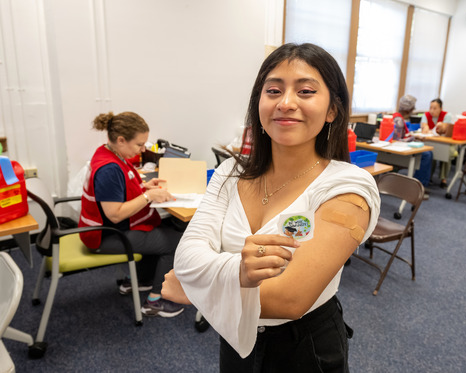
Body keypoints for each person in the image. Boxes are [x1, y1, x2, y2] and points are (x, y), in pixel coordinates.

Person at [162, 43, 380, 372]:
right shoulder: (230, 172)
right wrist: (233, 275)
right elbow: (187, 254)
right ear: (259, 103)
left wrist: (195, 289)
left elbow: (290, 298)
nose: (286, 103)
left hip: (304, 345)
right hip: (235, 337)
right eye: (273, 90)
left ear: (332, 109)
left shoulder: (348, 189)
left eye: (306, 91)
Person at [79, 111, 185, 318]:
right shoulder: (109, 168)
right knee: (176, 242)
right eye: (139, 144)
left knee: (159, 230)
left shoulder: (109, 153)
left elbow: (121, 187)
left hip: (108, 229)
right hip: (106, 234)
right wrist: (148, 196)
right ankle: (156, 301)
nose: (143, 149)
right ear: (121, 140)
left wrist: (144, 186)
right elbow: (115, 215)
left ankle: (139, 280)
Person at [394, 94, 433, 198]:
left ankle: (421, 184)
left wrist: (412, 136)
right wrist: (413, 138)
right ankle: (418, 186)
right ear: (408, 109)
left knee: (428, 153)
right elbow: (398, 139)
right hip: (400, 149)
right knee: (427, 155)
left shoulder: (398, 117)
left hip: (400, 146)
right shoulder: (399, 120)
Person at [420, 98, 456, 187]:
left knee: (445, 152)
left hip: (446, 142)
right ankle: (429, 177)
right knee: (430, 152)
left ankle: (444, 178)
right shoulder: (426, 115)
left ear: (441, 108)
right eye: (430, 107)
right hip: (432, 141)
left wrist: (442, 126)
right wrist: (425, 127)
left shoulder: (447, 115)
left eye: (435, 108)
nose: (432, 110)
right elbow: (424, 126)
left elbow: (444, 128)